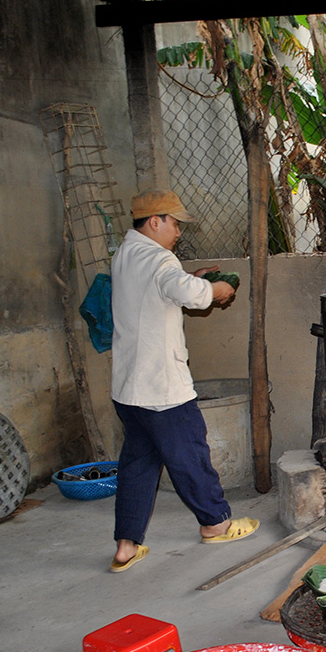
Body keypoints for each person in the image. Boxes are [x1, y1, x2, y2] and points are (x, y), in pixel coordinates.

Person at [107, 188, 258, 573]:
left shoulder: (127, 254)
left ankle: (126, 546)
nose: (178, 231)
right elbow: (190, 296)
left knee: (139, 464)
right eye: (174, 223)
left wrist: (192, 277)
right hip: (161, 387)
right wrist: (215, 290)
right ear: (155, 221)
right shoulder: (159, 258)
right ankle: (216, 523)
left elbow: (163, 287)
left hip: (129, 388)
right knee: (190, 453)